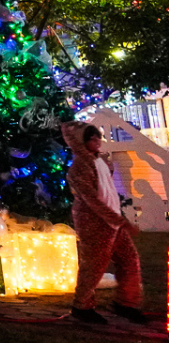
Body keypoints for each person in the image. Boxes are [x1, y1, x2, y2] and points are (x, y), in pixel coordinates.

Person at [62, 122, 145, 324]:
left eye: (98, 137)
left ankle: (125, 303)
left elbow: (106, 191)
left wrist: (119, 220)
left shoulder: (99, 161)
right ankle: (82, 306)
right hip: (95, 223)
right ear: (82, 141)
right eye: (92, 138)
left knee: (129, 260)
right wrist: (119, 221)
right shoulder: (80, 167)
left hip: (113, 222)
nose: (97, 142)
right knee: (94, 266)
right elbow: (92, 200)